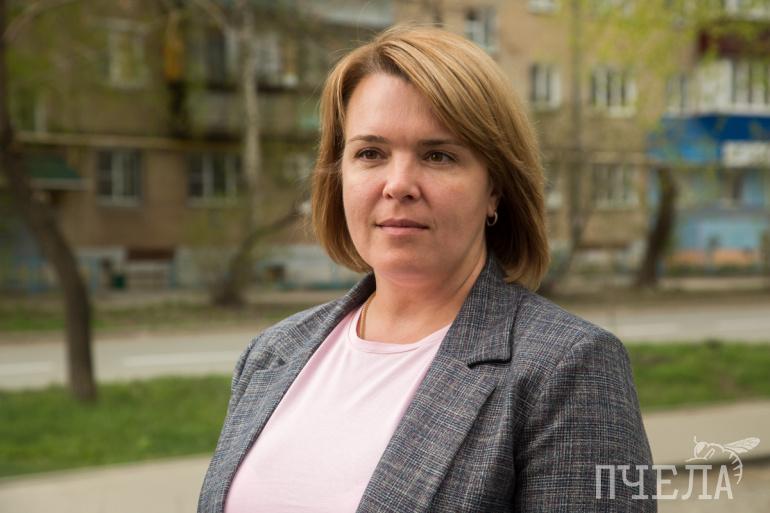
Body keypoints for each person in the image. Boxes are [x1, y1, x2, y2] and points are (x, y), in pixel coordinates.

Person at [198, 25, 655, 513]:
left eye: (438, 155)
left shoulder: (569, 368)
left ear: (495, 189)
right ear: (339, 174)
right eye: (370, 153)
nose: (398, 184)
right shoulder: (271, 354)